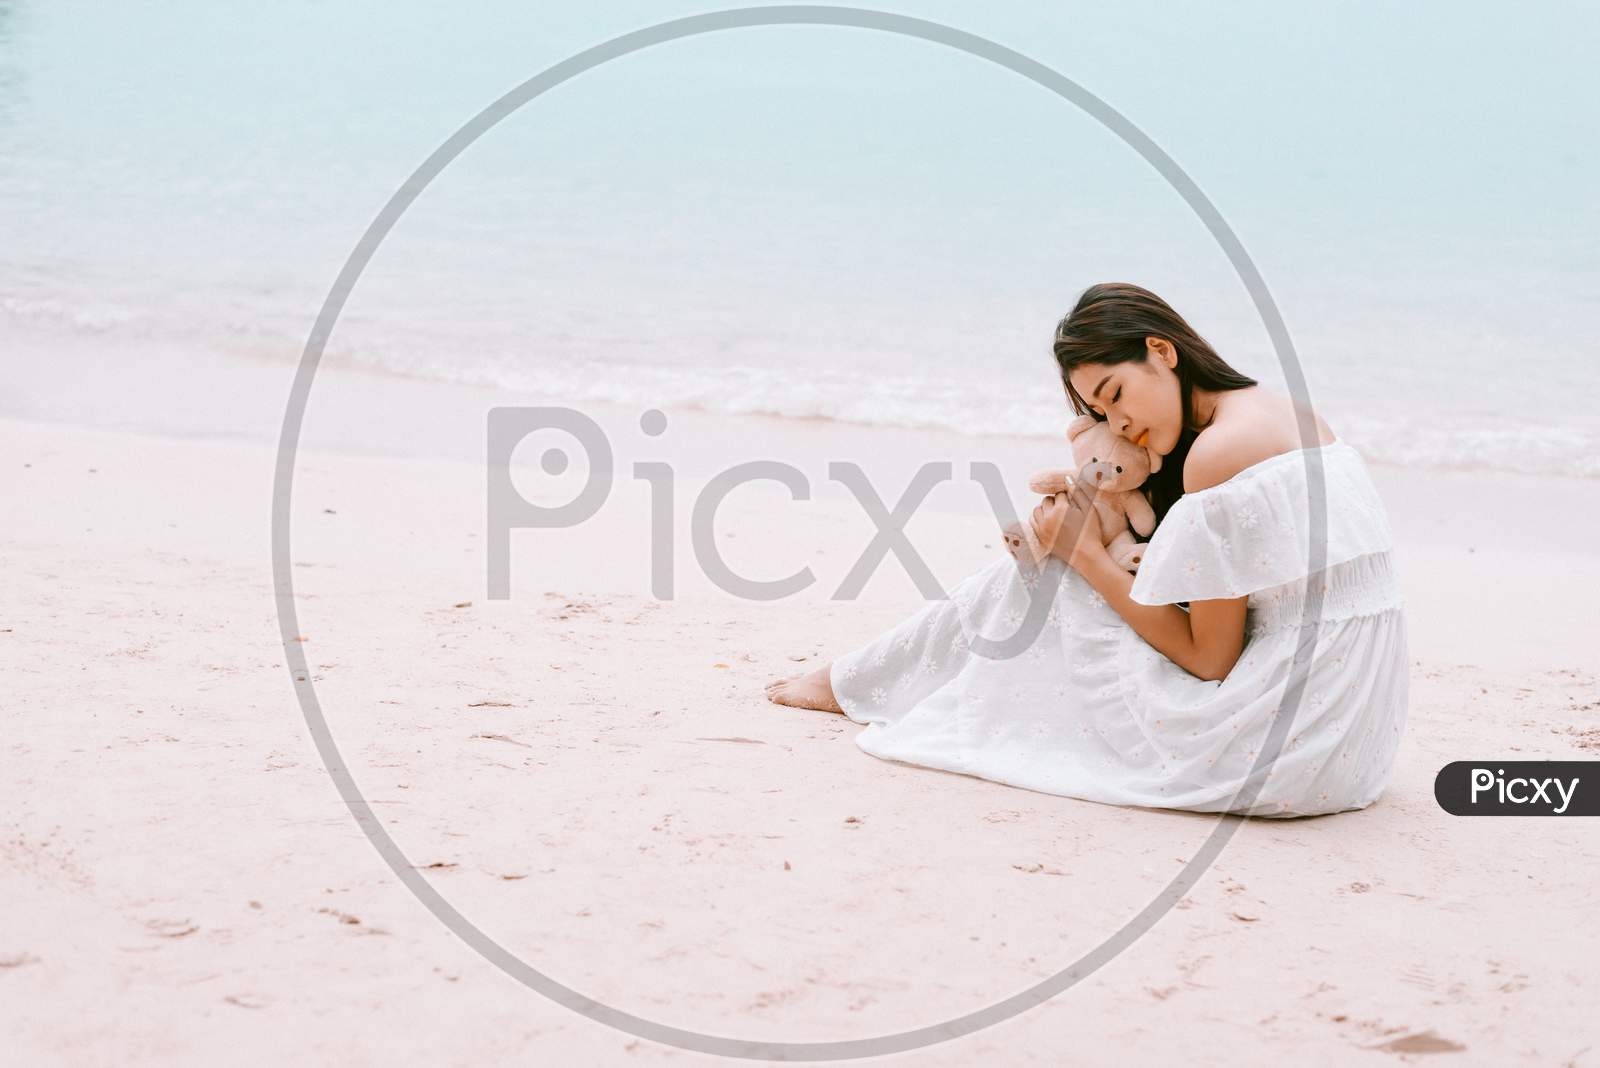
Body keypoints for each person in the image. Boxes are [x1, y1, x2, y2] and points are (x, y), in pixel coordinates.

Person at [765, 282, 1409, 817]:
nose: (1119, 425)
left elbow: (1211, 659)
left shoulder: (1216, 455)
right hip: (1352, 738)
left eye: (1117, 395)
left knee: (1049, 577)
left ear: (1162, 350)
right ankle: (865, 677)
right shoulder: (1281, 410)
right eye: (1102, 414)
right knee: (1059, 566)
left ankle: (856, 681)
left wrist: (1087, 556)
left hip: (1273, 743)